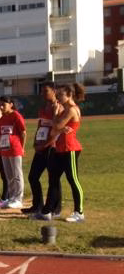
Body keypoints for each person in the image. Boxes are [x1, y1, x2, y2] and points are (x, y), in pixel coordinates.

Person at [38, 83, 85, 223]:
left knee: (73, 180)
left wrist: (57, 117)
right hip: (59, 148)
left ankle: (79, 212)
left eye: (60, 95)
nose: (58, 98)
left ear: (69, 95)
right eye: (57, 95)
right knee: (53, 179)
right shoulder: (65, 109)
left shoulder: (71, 110)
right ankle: (47, 211)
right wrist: (58, 125)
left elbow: (56, 126)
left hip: (70, 149)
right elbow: (54, 130)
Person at [23, 83, 61, 216]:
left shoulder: (59, 107)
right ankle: (37, 205)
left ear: (54, 91)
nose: (43, 94)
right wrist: (35, 142)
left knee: (53, 179)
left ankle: (55, 208)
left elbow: (57, 130)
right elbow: (40, 125)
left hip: (52, 147)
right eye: (42, 91)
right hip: (40, 147)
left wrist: (46, 144)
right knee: (33, 176)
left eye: (46, 91)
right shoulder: (43, 107)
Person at [0, 96, 26, 209]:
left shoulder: (16, 116)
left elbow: (23, 133)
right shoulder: (2, 118)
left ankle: (19, 198)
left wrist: (22, 147)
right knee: (9, 175)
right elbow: (0, 134)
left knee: (17, 175)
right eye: (0, 105)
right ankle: (12, 197)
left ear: (11, 104)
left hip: (15, 149)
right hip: (4, 149)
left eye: (4, 104)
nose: (1, 107)